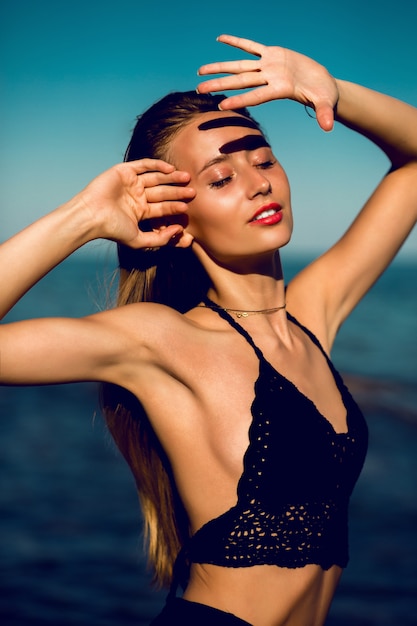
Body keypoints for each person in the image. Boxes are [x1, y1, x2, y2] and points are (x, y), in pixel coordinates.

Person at [1, 33, 416, 626]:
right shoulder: (162, 341)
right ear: (180, 218)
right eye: (221, 179)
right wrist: (82, 219)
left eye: (264, 159)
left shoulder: (313, 316)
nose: (258, 182)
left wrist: (331, 92)